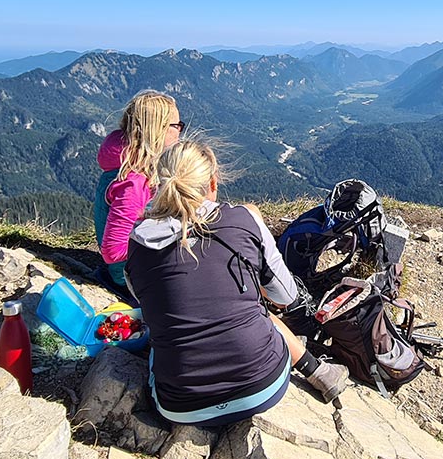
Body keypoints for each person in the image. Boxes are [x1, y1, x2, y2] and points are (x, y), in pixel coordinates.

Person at [125, 140, 348, 426]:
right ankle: (318, 372)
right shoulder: (243, 220)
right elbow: (285, 296)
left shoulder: (139, 242)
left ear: (159, 187)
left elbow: (144, 299)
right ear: (213, 183)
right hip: (261, 387)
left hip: (179, 406)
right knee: (256, 312)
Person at [93, 90, 183, 298]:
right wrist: (164, 246)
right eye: (175, 125)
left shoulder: (129, 165)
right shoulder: (134, 182)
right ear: (157, 130)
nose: (179, 131)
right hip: (129, 275)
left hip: (131, 265)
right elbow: (113, 250)